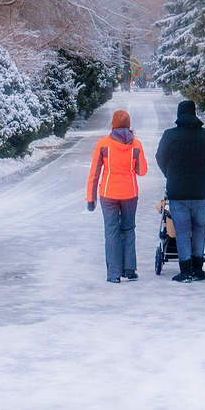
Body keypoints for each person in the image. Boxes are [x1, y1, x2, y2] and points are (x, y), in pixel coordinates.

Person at [155, 97, 205, 283]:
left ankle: (185, 270)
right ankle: (198, 268)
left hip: (178, 192)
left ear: (179, 115)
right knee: (200, 228)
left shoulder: (170, 135)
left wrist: (169, 174)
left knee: (182, 230)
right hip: (201, 192)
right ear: (195, 114)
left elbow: (160, 157)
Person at [86, 108, 147, 283]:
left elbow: (94, 172)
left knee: (111, 232)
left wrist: (91, 198)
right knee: (128, 229)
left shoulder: (103, 144)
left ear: (113, 125)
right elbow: (142, 171)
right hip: (130, 193)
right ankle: (129, 270)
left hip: (108, 193)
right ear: (129, 125)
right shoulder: (136, 144)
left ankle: (113, 274)